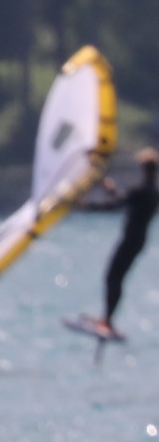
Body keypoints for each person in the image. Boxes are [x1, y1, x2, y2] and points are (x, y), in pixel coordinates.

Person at [80, 146, 159, 341]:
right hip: (138, 240)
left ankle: (107, 321)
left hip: (130, 240)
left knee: (112, 278)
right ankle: (106, 319)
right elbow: (123, 199)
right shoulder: (152, 191)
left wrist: (85, 205)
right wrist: (108, 187)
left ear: (142, 168)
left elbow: (115, 205)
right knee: (115, 278)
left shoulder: (141, 190)